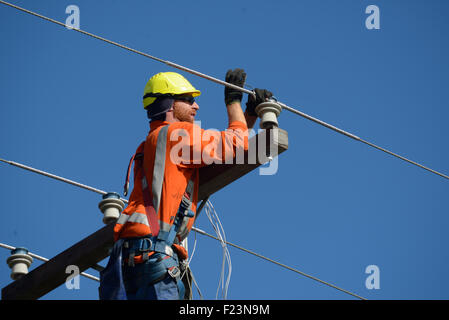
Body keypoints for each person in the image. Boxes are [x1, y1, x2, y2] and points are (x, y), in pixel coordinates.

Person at [99, 69, 273, 300]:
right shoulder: (177, 134)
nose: (196, 106)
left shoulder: (154, 142)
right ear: (170, 104)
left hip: (128, 265)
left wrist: (247, 115)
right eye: (189, 100)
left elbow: (225, 155)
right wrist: (233, 102)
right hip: (154, 259)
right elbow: (236, 145)